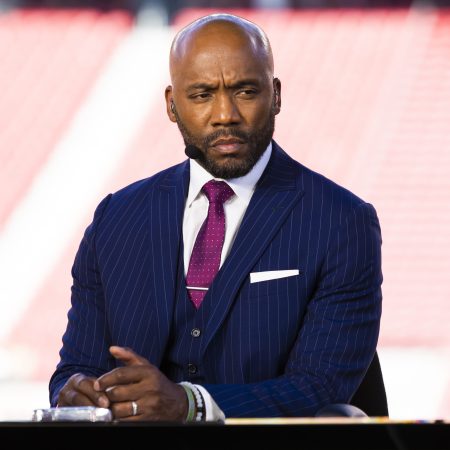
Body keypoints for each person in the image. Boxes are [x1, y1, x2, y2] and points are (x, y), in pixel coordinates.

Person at [49, 12, 383, 422]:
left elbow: (321, 386)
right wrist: (79, 393)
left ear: (275, 95)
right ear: (172, 105)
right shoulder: (114, 219)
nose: (225, 114)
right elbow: (75, 367)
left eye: (245, 91)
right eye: (203, 94)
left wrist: (191, 405)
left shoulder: (342, 222)